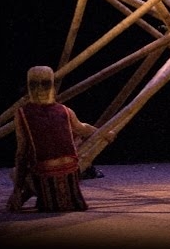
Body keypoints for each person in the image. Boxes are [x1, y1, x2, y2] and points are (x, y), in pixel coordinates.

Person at [7, 65, 104, 213]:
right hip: (70, 176)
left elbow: (21, 153)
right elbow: (83, 129)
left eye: (43, 84)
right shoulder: (66, 110)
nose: (40, 88)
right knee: (74, 142)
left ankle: (27, 197)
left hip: (46, 175)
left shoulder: (23, 113)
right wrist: (104, 133)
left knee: (14, 172)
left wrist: (17, 190)